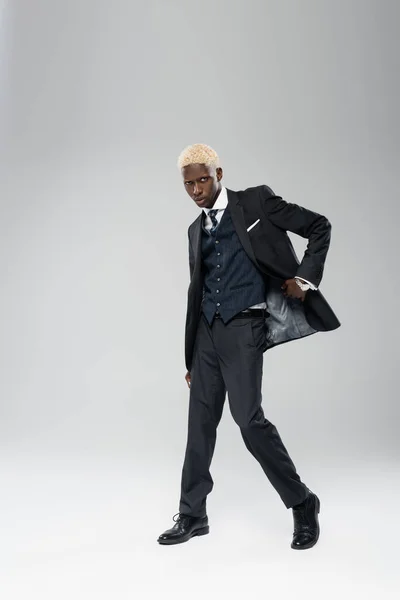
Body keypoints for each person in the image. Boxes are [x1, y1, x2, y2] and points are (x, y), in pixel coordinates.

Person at [157, 143, 340, 549]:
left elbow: (319, 225)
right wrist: (192, 357)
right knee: (199, 424)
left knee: (248, 420)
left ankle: (302, 502)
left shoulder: (256, 201)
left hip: (245, 327)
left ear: (219, 174)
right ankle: (192, 514)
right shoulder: (195, 230)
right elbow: (198, 290)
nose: (197, 189)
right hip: (206, 332)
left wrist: (305, 278)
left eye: (203, 179)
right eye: (189, 184)